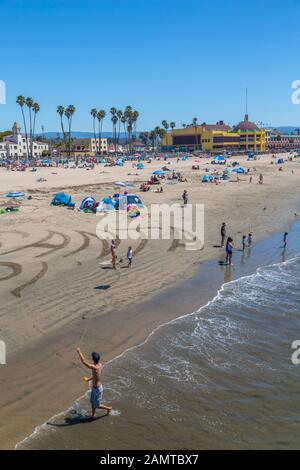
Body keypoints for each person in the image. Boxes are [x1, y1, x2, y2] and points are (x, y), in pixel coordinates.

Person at [76, 348, 112, 418]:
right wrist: (89, 379)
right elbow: (96, 375)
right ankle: (93, 414)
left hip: (98, 389)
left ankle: (108, 408)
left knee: (97, 405)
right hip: (94, 388)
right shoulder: (100, 365)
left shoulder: (94, 367)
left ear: (93, 359)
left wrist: (79, 352)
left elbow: (84, 362)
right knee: (92, 402)